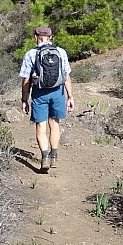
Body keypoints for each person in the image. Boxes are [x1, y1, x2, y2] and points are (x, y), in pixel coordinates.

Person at [20, 26, 74, 172]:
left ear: (35, 37)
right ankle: (54, 155)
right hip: (58, 92)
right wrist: (70, 96)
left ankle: (44, 157)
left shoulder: (31, 54)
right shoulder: (61, 52)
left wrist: (24, 100)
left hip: (39, 94)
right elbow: (66, 76)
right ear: (51, 37)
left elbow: (26, 80)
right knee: (55, 124)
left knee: (41, 126)